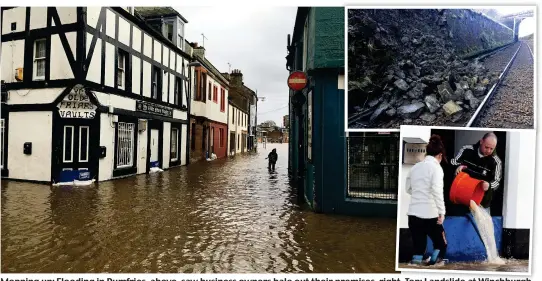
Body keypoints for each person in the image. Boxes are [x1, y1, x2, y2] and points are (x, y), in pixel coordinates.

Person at [405, 134, 447, 266]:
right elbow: (437, 191)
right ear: (440, 155)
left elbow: (408, 189)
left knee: (418, 246)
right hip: (430, 214)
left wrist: (420, 194)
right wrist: (442, 212)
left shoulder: (415, 167)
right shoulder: (436, 168)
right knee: (441, 244)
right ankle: (434, 265)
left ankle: (416, 267)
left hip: (413, 214)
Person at [450, 132, 502, 214]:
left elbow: (497, 182)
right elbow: (452, 162)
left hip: (482, 203)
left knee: (482, 226)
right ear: (481, 141)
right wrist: (459, 166)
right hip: (462, 199)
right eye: (486, 147)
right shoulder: (466, 149)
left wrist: (489, 185)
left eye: (491, 149)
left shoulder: (496, 162)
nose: (488, 151)